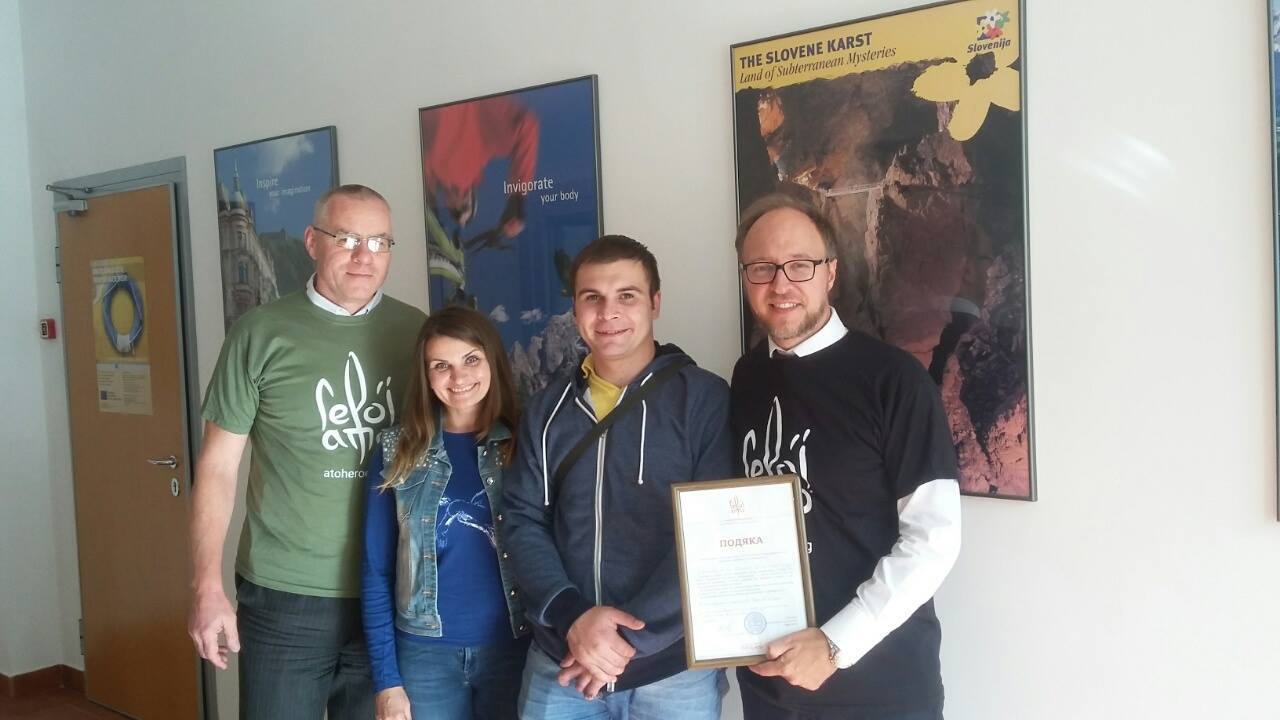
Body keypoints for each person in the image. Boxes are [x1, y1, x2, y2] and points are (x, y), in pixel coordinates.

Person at [187, 184, 427, 720]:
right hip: (284, 596)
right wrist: (206, 585)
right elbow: (218, 468)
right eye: (346, 238)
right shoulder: (259, 334)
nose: (364, 256)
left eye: (379, 241)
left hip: (391, 591)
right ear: (313, 242)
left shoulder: (417, 333)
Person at [730, 193, 962, 720]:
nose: (780, 284)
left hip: (881, 688)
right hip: (770, 689)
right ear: (746, 278)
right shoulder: (746, 377)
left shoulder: (893, 380)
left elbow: (935, 537)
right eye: (762, 267)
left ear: (830, 273)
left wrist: (835, 644)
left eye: (800, 265)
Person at [503, 235, 732, 719]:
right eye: (593, 297)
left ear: (655, 303)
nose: (608, 312)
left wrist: (619, 642)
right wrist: (573, 620)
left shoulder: (704, 400)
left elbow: (714, 532)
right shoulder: (546, 410)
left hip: (672, 672)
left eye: (626, 296)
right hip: (562, 660)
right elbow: (523, 519)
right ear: (575, 309)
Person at [361, 306, 531, 720]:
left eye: (471, 359)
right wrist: (386, 681)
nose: (458, 377)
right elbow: (375, 570)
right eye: (441, 365)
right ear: (426, 374)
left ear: (492, 361)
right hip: (424, 657)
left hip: (516, 647)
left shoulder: (527, 444)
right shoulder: (396, 450)